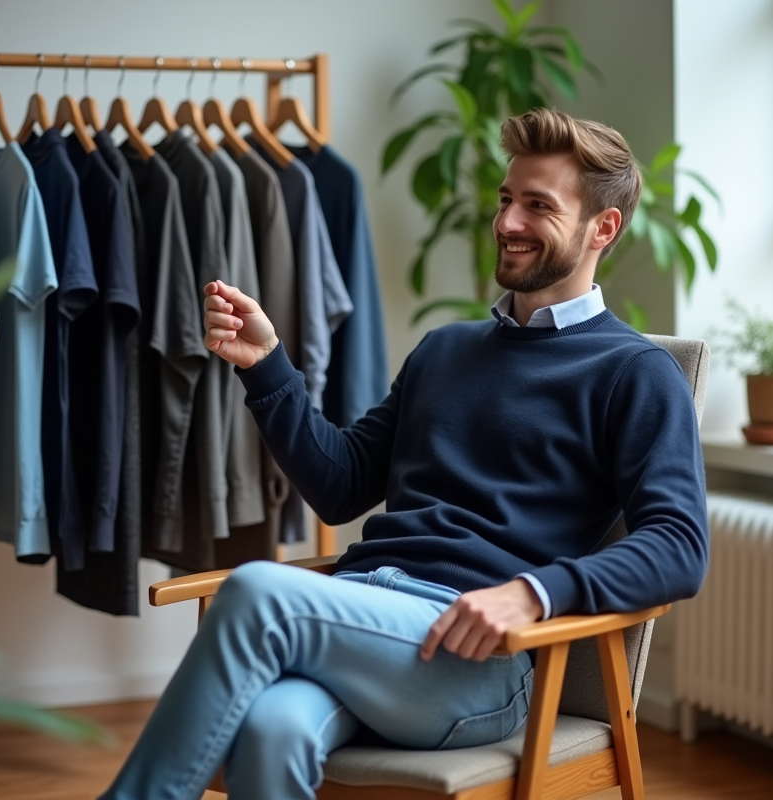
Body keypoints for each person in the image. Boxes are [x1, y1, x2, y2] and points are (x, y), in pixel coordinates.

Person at [99, 108, 709, 800]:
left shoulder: (632, 372)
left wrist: (535, 592)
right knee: (274, 729)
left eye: (539, 206)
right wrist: (266, 364)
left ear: (603, 228)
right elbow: (340, 483)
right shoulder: (445, 349)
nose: (507, 222)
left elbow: (678, 546)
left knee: (255, 588)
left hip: (473, 659)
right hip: (364, 618)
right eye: (507, 199)